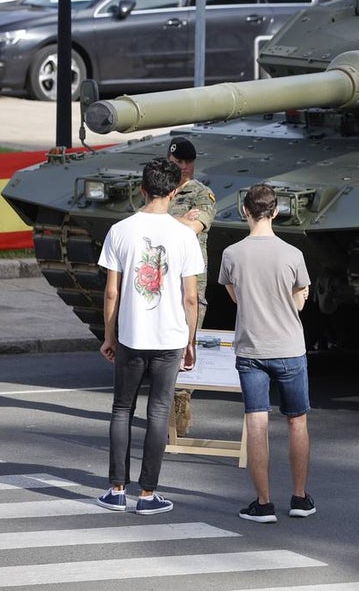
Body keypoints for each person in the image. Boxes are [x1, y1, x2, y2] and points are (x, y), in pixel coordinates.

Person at [96, 157, 204, 515]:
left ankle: (115, 489)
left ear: (142, 189)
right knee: (158, 412)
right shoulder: (185, 236)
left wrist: (109, 335)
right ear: (174, 193)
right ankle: (147, 494)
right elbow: (191, 296)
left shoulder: (120, 230)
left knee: (122, 409)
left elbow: (112, 292)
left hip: (131, 335)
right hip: (171, 338)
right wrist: (190, 340)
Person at [219, 183, 315, 524]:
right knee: (297, 421)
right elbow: (299, 301)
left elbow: (236, 297)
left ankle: (263, 503)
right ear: (276, 211)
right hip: (289, 347)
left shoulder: (231, 254)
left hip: (251, 348)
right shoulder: (293, 255)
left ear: (245, 211)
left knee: (256, 424)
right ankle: (300, 498)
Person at [167, 136, 216, 329]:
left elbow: (192, 228)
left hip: (188, 273)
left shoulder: (202, 194)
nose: (184, 166)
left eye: (189, 162)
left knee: (186, 336)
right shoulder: (158, 188)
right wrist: (181, 219)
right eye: (178, 161)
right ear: (168, 159)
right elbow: (139, 221)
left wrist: (159, 217)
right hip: (156, 268)